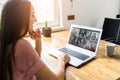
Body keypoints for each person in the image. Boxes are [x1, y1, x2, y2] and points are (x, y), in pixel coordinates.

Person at [0, 0, 70, 80]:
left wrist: (38, 40)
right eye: (33, 15)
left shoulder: (6, 41)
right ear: (22, 18)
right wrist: (61, 62)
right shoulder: (21, 46)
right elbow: (56, 79)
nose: (36, 20)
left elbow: (33, 61)